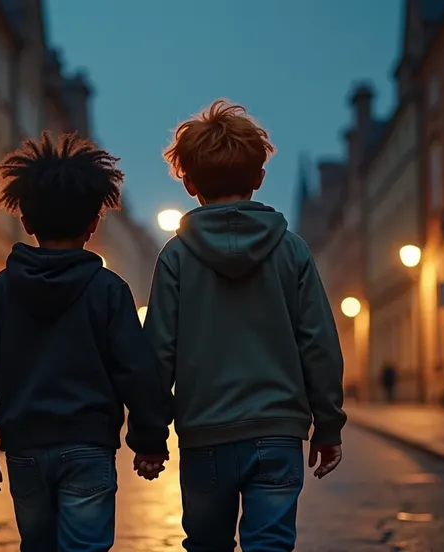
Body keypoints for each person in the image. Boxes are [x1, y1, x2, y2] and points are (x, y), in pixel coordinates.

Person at [144, 99, 347, 551]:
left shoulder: (176, 257)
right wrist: (328, 424)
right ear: (259, 177)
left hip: (205, 432)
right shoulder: (291, 251)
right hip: (277, 430)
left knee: (207, 543)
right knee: (270, 543)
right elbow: (319, 342)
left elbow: (158, 351)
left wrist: (150, 436)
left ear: (189, 182)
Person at [0, 131, 170, 552]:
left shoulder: (1, 290)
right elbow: (136, 369)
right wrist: (149, 440)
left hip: (25, 448)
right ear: (94, 224)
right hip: (88, 444)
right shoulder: (108, 290)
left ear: (26, 221)